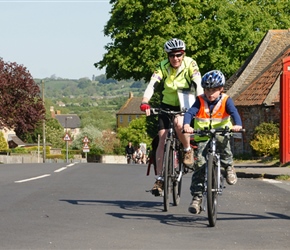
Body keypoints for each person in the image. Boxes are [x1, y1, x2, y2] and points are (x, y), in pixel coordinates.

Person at [140, 38, 203, 196]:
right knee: (162, 137)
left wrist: (202, 101)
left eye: (178, 55)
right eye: (172, 55)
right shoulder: (162, 66)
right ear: (167, 56)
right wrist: (145, 101)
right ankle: (160, 178)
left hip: (186, 102)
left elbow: (198, 83)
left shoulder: (190, 64)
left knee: (179, 123)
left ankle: (187, 150)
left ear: (183, 54)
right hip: (167, 104)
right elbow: (152, 84)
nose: (175, 58)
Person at [183, 70, 243, 214]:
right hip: (203, 135)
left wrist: (238, 125)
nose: (210, 93)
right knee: (199, 165)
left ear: (221, 89)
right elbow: (190, 112)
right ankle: (197, 199)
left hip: (221, 132)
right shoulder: (200, 100)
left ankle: (228, 168)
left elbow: (234, 112)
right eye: (207, 90)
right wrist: (186, 125)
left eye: (214, 90)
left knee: (225, 148)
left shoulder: (226, 100)